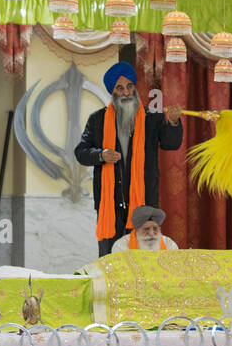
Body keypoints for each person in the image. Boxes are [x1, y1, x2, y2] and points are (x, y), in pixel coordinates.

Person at [75, 62, 184, 257]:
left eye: (129, 87)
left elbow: (170, 144)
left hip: (143, 202)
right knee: (111, 255)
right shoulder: (97, 120)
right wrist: (101, 155)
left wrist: (174, 123)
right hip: (110, 202)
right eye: (120, 88)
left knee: (143, 256)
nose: (126, 92)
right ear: (112, 92)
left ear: (134, 88)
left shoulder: (153, 118)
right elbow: (81, 152)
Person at [110, 205, 179, 253]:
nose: (151, 233)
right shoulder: (121, 246)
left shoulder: (169, 244)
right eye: (146, 229)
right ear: (136, 230)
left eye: (155, 228)